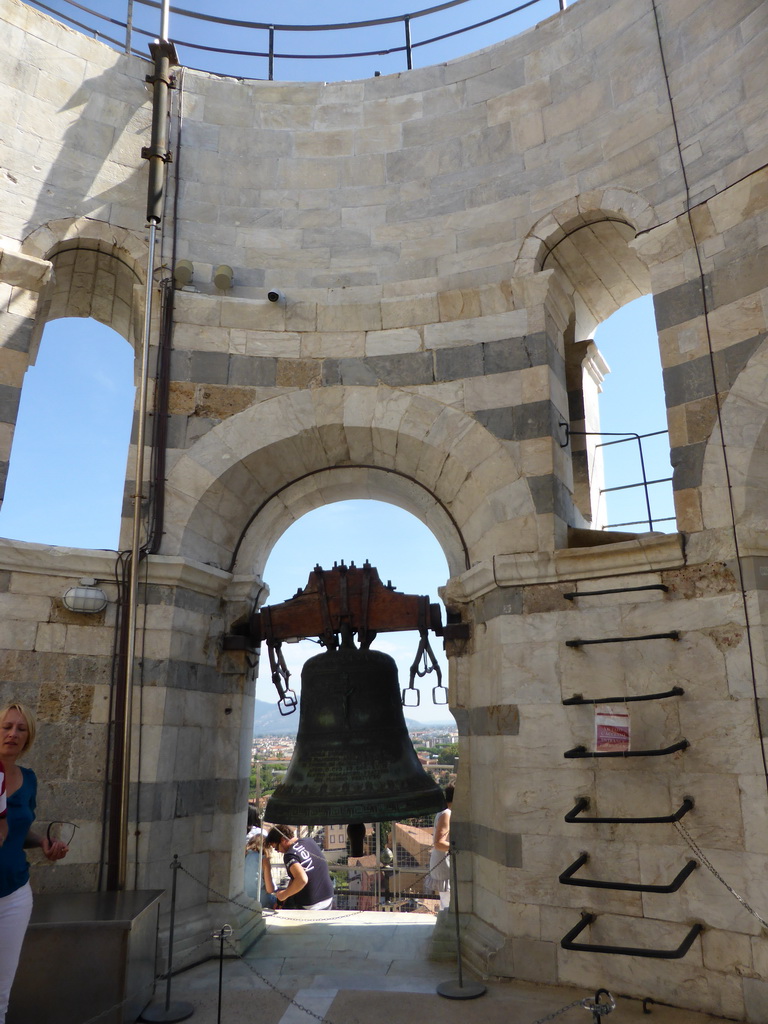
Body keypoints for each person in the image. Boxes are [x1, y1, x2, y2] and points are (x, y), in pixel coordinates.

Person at [0, 702, 68, 1024]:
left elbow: (19, 827)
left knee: (1, 990)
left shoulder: (28, 779)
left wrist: (41, 841)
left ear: (28, 738)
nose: (12, 734)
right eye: (7, 726)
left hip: (13, 894)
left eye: (20, 729)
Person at [262, 825, 333, 910]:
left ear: (283, 840)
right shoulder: (309, 841)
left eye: (276, 848)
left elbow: (302, 879)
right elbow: (295, 878)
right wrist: (281, 901)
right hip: (328, 898)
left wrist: (283, 895)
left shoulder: (290, 855)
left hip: (312, 905)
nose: (278, 852)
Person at [428, 785, 453, 911]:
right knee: (447, 904)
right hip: (444, 864)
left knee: (446, 903)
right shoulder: (447, 814)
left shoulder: (443, 811)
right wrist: (460, 847)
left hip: (441, 862)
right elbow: (439, 843)